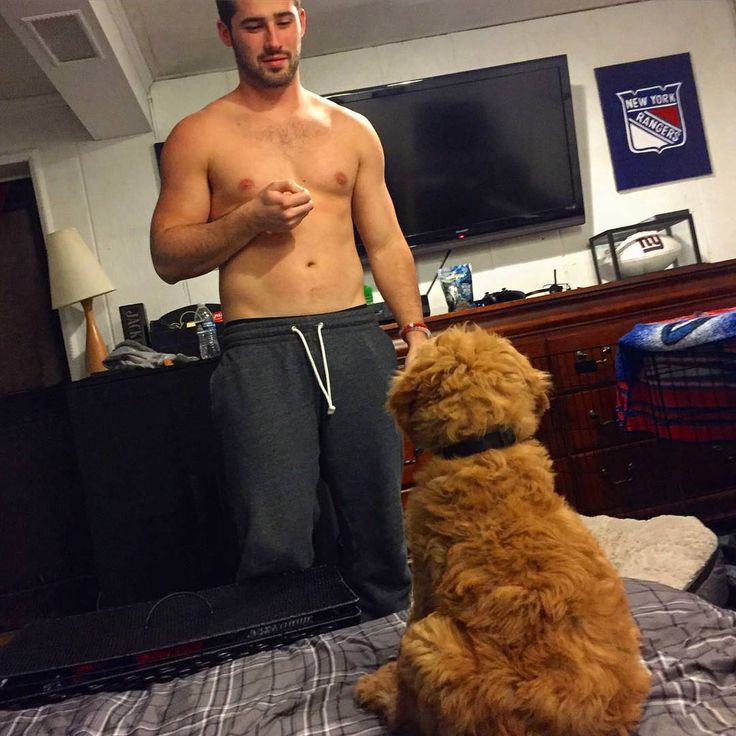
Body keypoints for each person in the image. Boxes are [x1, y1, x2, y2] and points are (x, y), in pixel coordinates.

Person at [150, 0, 430, 619]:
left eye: (282, 20)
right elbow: (168, 255)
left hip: (355, 336)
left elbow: (384, 241)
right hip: (262, 346)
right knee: (274, 533)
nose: (271, 38)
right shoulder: (200, 134)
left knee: (380, 521)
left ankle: (396, 654)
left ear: (302, 21)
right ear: (227, 34)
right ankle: (289, 675)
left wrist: (414, 328)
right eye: (253, 25)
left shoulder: (353, 131)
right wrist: (249, 218)